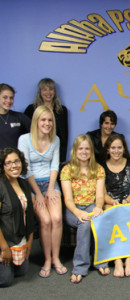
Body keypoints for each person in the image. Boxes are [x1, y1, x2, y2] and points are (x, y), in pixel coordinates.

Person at [18, 105, 67, 278]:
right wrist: (38, 193)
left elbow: (54, 165)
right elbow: (25, 168)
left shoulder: (56, 140)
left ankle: (56, 258)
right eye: (43, 120)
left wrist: (51, 188)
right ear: (36, 121)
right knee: (45, 221)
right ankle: (47, 260)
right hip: (32, 186)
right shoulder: (24, 139)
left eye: (50, 120)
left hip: (51, 183)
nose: (47, 123)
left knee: (57, 219)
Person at [60, 134, 109, 284]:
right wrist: (78, 212)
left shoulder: (98, 169)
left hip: (90, 204)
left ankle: (100, 261)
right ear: (75, 150)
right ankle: (80, 267)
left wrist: (98, 207)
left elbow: (100, 195)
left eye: (87, 148)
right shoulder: (67, 170)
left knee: (100, 219)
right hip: (73, 209)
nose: (84, 151)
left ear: (91, 151)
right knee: (85, 222)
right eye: (80, 148)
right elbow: (68, 200)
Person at [103, 133, 130, 277]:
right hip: (110, 203)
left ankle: (129, 259)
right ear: (108, 149)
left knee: (129, 213)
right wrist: (112, 202)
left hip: (128, 201)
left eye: (119, 147)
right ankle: (118, 260)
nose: (116, 151)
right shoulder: (101, 167)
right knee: (110, 213)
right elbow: (102, 194)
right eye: (113, 148)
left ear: (124, 149)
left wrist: (127, 201)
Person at [0, 147, 34, 287]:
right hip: (5, 240)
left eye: (16, 161)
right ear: (2, 166)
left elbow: (30, 216)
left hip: (21, 239)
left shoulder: (24, 183)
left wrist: (30, 244)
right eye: (8, 163)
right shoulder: (1, 186)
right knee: (6, 280)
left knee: (22, 272)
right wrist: (4, 248)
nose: (14, 165)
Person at [24, 78, 68, 163]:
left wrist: (61, 158)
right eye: (45, 90)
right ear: (40, 92)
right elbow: (26, 132)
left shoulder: (62, 110)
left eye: (51, 89)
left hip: (54, 153)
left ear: (54, 92)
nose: (48, 93)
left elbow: (63, 136)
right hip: (35, 154)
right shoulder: (31, 109)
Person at [0, 84, 31, 150]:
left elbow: (37, 131)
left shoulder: (19, 117)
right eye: (5, 97)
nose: (8, 101)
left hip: (16, 158)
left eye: (11, 98)